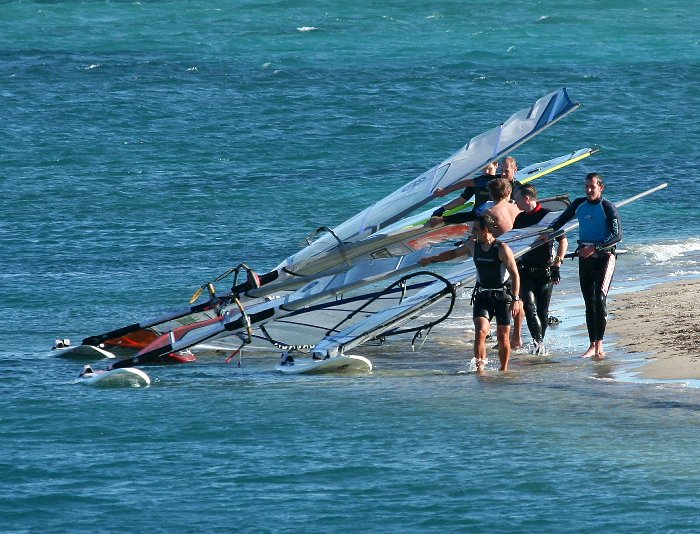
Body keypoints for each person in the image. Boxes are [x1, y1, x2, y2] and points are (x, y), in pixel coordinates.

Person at [419, 214, 523, 374]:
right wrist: (431, 259)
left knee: (503, 336)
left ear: (485, 230)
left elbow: (515, 275)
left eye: (475, 229)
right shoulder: (472, 245)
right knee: (481, 331)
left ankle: (503, 371)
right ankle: (480, 370)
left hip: (503, 296)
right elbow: (453, 254)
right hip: (482, 296)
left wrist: (516, 299)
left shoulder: (502, 249)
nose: (472, 232)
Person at [542, 173, 622, 359]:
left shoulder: (608, 207)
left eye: (592, 186)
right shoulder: (579, 204)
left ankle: (600, 345)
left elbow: (617, 235)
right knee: (588, 302)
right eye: (586, 186)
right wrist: (547, 233)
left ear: (600, 187)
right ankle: (592, 345)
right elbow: (559, 222)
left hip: (605, 257)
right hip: (584, 257)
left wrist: (595, 248)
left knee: (599, 298)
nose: (588, 190)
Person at [510, 185, 568, 353]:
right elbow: (514, 243)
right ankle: (538, 343)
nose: (515, 202)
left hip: (546, 270)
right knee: (529, 307)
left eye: (517, 199)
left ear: (526, 198)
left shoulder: (547, 216)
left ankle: (538, 344)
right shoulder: (520, 219)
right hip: (525, 269)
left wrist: (558, 263)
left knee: (543, 312)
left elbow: (563, 241)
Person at [430, 160, 499, 222]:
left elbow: (468, 183)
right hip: (477, 217)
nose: (486, 172)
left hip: (496, 217)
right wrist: (442, 209)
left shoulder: (502, 181)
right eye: (484, 168)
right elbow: (461, 200)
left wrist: (446, 191)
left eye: (490, 168)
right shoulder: (476, 182)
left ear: (496, 165)